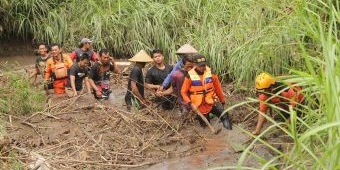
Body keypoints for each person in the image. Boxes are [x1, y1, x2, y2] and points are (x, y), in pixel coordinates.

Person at [181, 54, 232, 130]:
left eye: (204, 65)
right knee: (205, 126)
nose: (202, 68)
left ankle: (229, 132)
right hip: (199, 104)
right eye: (200, 66)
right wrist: (190, 104)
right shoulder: (189, 76)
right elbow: (183, 92)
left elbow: (218, 89)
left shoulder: (211, 74)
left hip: (212, 100)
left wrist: (222, 101)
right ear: (194, 64)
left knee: (224, 115)